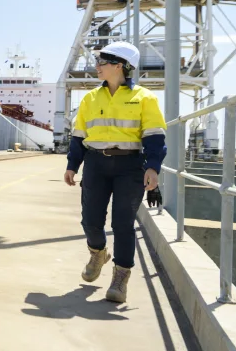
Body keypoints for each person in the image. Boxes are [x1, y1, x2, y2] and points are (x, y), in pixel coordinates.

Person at [64, 41, 167, 303]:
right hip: (96, 164)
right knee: (90, 221)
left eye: (102, 62)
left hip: (130, 166)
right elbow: (78, 136)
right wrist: (72, 165)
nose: (97, 66)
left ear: (119, 66)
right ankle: (98, 252)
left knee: (122, 224)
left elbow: (155, 137)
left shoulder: (144, 98)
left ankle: (121, 277)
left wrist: (153, 168)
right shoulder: (90, 98)